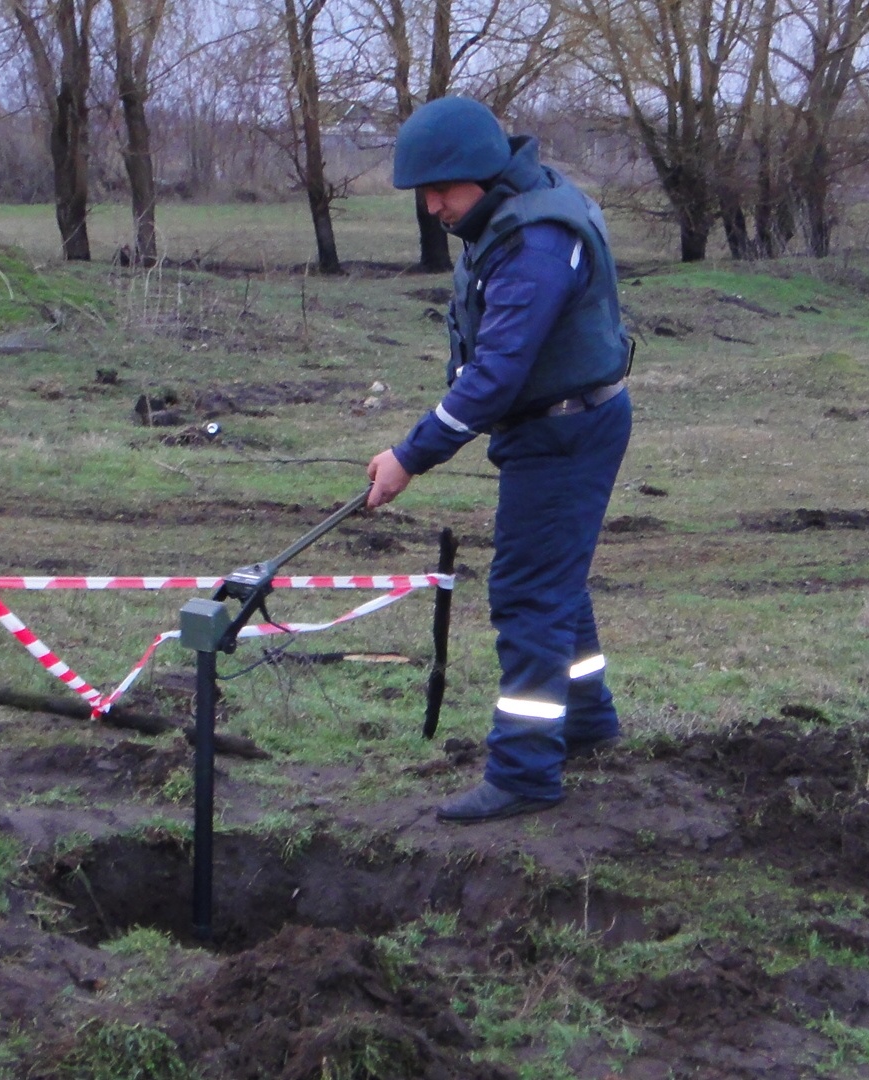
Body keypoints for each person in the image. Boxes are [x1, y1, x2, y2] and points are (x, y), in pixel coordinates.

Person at [366, 96, 634, 823]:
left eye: (441, 192)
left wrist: (409, 457)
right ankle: (586, 721)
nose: (432, 209)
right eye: (424, 195)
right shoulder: (512, 215)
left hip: (565, 434)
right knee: (556, 580)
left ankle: (522, 772)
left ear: (482, 175)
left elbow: (496, 375)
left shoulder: (536, 245)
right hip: (556, 424)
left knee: (526, 595)